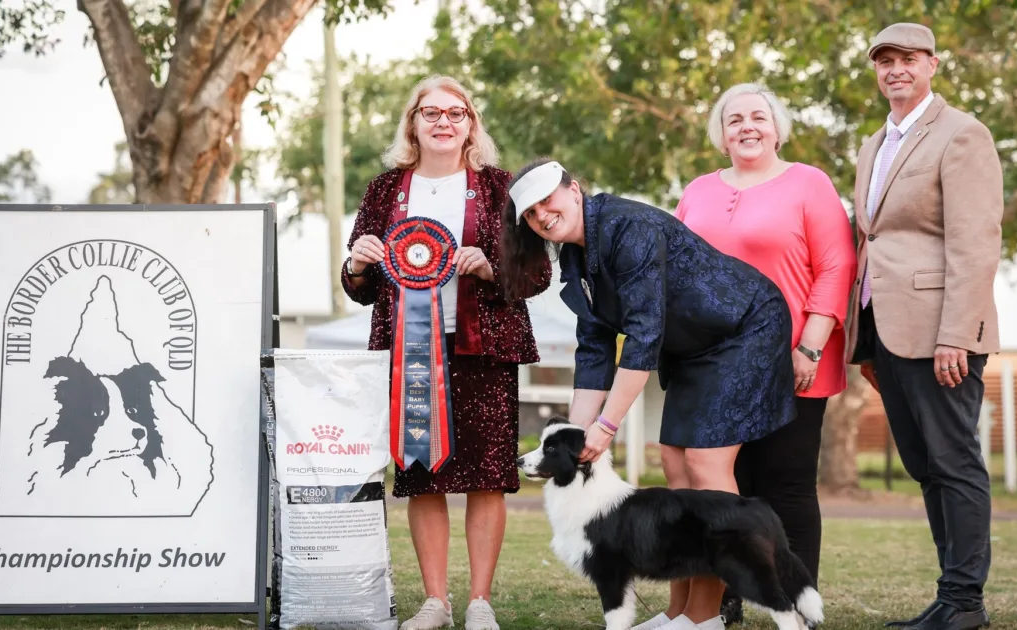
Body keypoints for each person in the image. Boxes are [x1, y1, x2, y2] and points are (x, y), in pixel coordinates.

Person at [499, 158, 797, 630]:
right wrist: (577, 434)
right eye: (531, 214)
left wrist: (606, 425)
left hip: (745, 328)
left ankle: (705, 617)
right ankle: (679, 611)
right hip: (694, 347)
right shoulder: (575, 260)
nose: (543, 215)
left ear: (574, 189)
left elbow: (642, 336)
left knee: (705, 463)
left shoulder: (627, 227)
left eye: (548, 200)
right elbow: (594, 349)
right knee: (673, 461)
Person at [342, 75, 551, 630]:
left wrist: (491, 267)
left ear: (471, 125)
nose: (443, 122)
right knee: (419, 471)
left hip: (484, 349)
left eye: (456, 113)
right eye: (430, 112)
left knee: (487, 476)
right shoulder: (383, 191)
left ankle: (480, 602)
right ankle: (435, 601)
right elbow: (359, 286)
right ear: (412, 122)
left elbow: (538, 273)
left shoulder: (503, 187)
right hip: (408, 353)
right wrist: (358, 264)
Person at [674, 82, 857, 625]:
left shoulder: (809, 183)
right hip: (713, 368)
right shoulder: (698, 191)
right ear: (721, 134)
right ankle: (725, 599)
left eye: (758, 116)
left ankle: (797, 604)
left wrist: (810, 345)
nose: (747, 126)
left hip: (794, 360)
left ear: (777, 127)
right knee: (727, 487)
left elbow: (836, 267)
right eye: (734, 119)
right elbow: (679, 273)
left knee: (786, 487)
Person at [846, 23, 1003, 630]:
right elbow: (872, 240)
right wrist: (863, 341)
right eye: (884, 60)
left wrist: (956, 334)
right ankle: (952, 596)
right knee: (926, 465)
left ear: (933, 64)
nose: (895, 70)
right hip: (887, 333)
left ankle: (965, 603)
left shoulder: (962, 134)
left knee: (954, 461)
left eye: (908, 58)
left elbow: (975, 240)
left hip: (942, 331)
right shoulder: (873, 144)